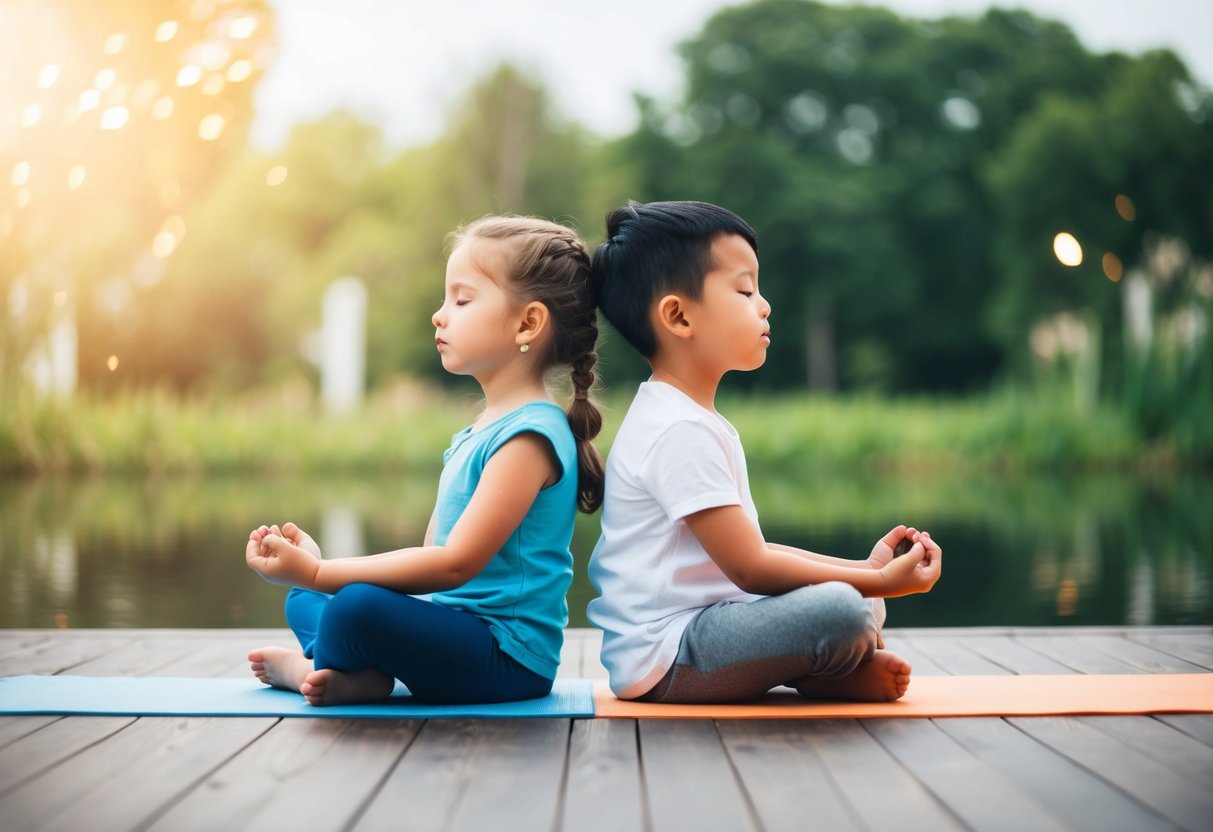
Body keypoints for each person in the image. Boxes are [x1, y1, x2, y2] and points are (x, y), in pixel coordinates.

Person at [586, 200, 942, 704]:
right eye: (745, 289)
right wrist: (879, 582)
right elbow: (751, 568)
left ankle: (824, 672)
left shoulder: (691, 420)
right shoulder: (676, 431)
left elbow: (757, 552)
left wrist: (869, 573)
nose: (764, 304)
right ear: (678, 316)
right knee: (844, 610)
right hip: (667, 655)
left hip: (714, 629)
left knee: (859, 601)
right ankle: (821, 670)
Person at [245, 216, 603, 706]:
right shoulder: (477, 433)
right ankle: (357, 672)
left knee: (352, 605)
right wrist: (318, 569)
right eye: (444, 300)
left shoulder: (530, 437)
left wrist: (318, 572)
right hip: (453, 636)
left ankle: (319, 665)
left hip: (505, 661)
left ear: (528, 323)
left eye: (461, 299)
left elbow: (454, 566)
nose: (440, 315)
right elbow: (430, 556)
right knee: (310, 599)